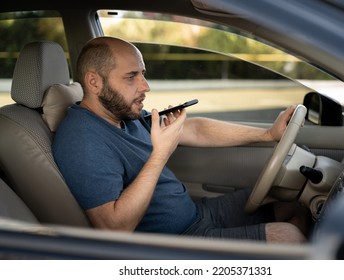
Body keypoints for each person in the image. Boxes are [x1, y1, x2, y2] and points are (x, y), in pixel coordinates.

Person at [52, 36, 310, 243]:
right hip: (179, 242)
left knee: (294, 204)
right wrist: (160, 154)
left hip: (197, 214)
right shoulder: (82, 140)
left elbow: (195, 130)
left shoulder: (122, 114)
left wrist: (268, 135)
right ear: (94, 82)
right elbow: (114, 229)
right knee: (288, 237)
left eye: (143, 74)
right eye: (131, 77)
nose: (145, 86)